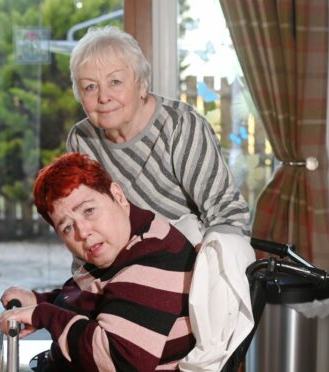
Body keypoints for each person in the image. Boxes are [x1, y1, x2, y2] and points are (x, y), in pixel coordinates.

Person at [66, 26, 256, 371]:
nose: (103, 96)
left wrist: (195, 270)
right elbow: (86, 220)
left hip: (179, 265)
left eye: (115, 82)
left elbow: (228, 213)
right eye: (90, 87)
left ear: (142, 84)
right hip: (119, 269)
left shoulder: (180, 127)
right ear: (79, 94)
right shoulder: (82, 139)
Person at [0, 152, 197, 371]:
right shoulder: (121, 243)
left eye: (89, 211)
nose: (83, 232)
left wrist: (45, 314)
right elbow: (98, 299)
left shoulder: (153, 259)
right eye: (67, 227)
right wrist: (38, 300)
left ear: (117, 195)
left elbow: (119, 362)